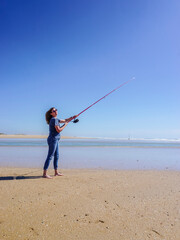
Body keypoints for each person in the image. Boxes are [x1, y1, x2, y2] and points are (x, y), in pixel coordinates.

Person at [43, 107, 77, 179]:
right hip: (53, 139)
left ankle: (56, 172)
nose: (55, 111)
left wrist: (73, 117)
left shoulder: (56, 119)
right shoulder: (54, 120)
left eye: (56, 110)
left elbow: (65, 120)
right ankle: (44, 173)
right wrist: (65, 125)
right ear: (51, 113)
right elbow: (58, 130)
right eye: (54, 111)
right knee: (50, 156)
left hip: (56, 139)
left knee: (57, 155)